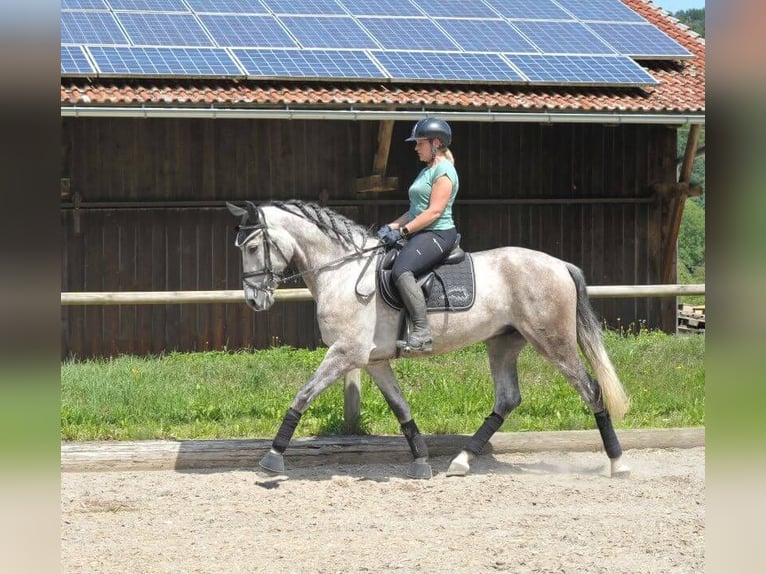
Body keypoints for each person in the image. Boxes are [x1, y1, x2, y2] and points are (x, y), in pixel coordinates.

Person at [376, 117, 459, 353]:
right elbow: (414, 210)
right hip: (422, 231)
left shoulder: (444, 171)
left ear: (435, 143)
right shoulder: (427, 171)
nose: (415, 147)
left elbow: (433, 212)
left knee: (402, 269)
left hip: (438, 233)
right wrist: (391, 226)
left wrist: (403, 231)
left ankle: (422, 332)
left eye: (419, 143)